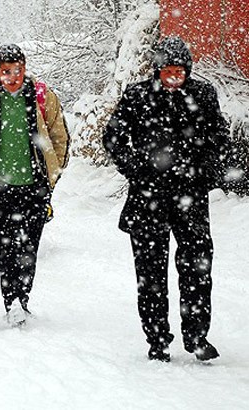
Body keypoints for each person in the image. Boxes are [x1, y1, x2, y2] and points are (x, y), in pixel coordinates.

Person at [103, 36, 230, 362]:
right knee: (150, 276)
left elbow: (220, 135)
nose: (174, 77)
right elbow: (114, 136)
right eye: (168, 71)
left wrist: (207, 168)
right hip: (148, 200)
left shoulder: (202, 95)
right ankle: (157, 339)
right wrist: (135, 168)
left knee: (198, 270)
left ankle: (197, 337)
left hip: (191, 199)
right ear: (157, 70)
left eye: (180, 71)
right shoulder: (137, 96)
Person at [0, 44, 70, 326]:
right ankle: (11, 301)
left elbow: (59, 135)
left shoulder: (41, 97)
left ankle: (23, 297)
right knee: (6, 245)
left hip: (34, 185)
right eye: (6, 71)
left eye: (17, 70)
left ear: (25, 68)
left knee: (30, 246)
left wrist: (51, 175)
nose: (12, 77)